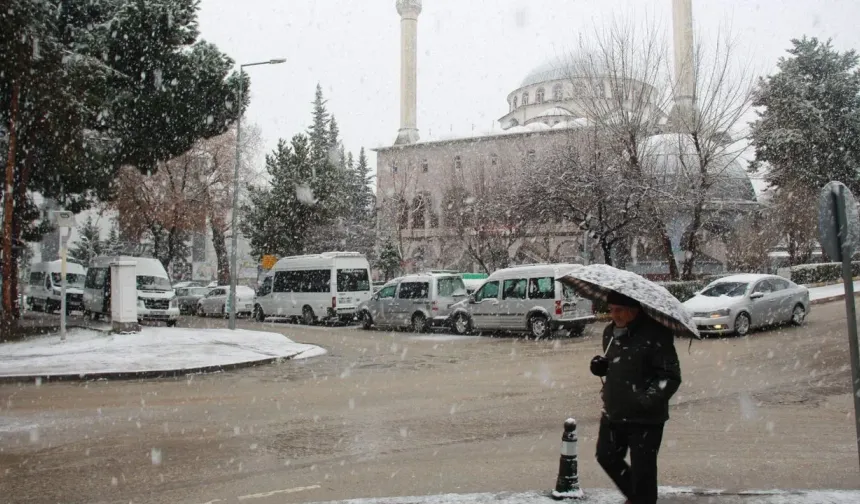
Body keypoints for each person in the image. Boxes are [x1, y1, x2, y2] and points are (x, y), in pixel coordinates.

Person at [589, 291, 682, 504]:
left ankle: (641, 498)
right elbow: (617, 364)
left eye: (619, 310)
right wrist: (601, 367)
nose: (614, 315)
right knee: (606, 456)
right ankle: (638, 498)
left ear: (634, 310)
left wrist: (647, 399)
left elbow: (671, 376)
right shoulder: (609, 333)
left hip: (645, 418)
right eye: (611, 310)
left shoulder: (656, 335)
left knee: (643, 472)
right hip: (614, 411)